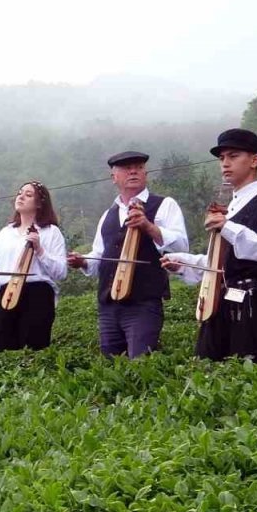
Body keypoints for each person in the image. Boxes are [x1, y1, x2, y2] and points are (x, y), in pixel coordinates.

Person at [162, 129, 257, 362]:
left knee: (250, 377)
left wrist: (227, 227)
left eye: (233, 156)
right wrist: (182, 262)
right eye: (221, 158)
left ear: (254, 160)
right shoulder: (229, 208)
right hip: (218, 303)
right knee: (211, 373)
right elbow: (221, 265)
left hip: (252, 304)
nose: (225, 164)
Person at [67, 151, 189, 358]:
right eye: (126, 168)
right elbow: (99, 255)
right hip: (108, 305)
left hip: (143, 303)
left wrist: (148, 227)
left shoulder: (164, 204)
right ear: (113, 176)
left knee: (141, 363)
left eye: (139, 167)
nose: (133, 171)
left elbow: (181, 246)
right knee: (111, 365)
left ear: (146, 172)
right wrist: (82, 262)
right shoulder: (108, 214)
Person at [0, 181, 68, 350]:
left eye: (28, 194)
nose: (21, 196)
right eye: (20, 193)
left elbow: (61, 271)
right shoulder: (5, 233)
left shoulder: (50, 232)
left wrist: (39, 250)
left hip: (37, 294)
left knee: (33, 348)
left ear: (40, 203)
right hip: (7, 294)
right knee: (1, 346)